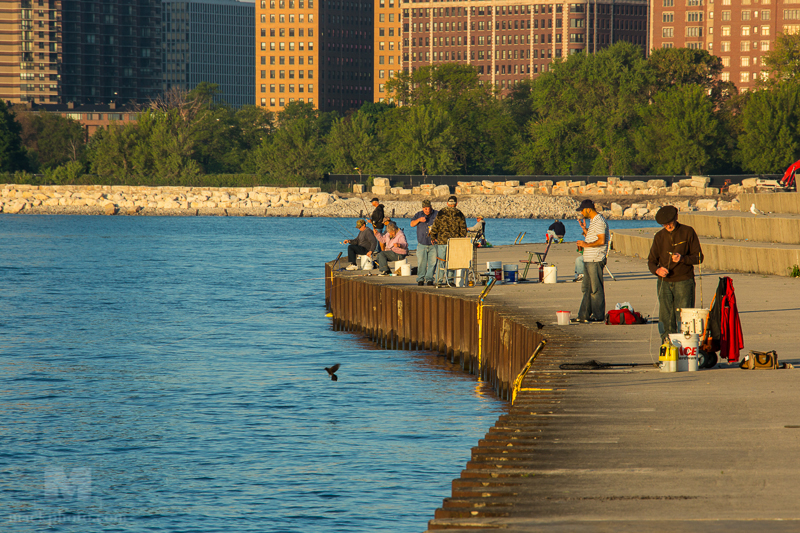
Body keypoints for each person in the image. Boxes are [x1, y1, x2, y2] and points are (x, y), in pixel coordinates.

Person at [648, 205, 703, 341]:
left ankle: (684, 348)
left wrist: (683, 258)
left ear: (676, 218)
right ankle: (666, 345)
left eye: (669, 222)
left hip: (684, 282)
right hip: (664, 283)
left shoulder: (688, 232)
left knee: (684, 318)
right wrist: (657, 270)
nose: (667, 226)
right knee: (665, 317)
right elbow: (651, 262)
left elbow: (699, 257)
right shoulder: (659, 237)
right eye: (664, 224)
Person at [575, 199, 609, 323]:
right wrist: (585, 230)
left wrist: (585, 245)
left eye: (582, 210)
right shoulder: (593, 221)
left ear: (588, 209)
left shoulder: (599, 221)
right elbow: (594, 237)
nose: (581, 213)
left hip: (596, 258)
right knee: (586, 288)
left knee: (596, 289)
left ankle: (598, 315)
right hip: (589, 259)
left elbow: (601, 241)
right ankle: (583, 315)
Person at [428, 196, 467, 285]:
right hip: (455, 242)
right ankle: (450, 281)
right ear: (456, 204)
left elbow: (435, 226)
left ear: (447, 203)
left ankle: (439, 280)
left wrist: (433, 237)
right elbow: (463, 229)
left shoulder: (441, 212)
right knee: (451, 262)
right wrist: (461, 239)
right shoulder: (459, 213)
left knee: (442, 261)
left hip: (442, 241)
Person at [410, 199, 438, 286]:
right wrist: (418, 220)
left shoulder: (437, 214)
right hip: (422, 243)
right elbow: (412, 224)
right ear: (422, 208)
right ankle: (420, 279)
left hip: (434, 244)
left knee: (432, 263)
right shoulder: (418, 214)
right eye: (424, 208)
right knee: (421, 262)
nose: (426, 210)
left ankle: (429, 279)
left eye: (428, 208)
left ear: (431, 207)